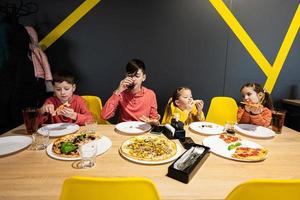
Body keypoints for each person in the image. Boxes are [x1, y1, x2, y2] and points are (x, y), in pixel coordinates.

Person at [101, 59, 159, 124]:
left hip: (142, 130)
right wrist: (118, 91)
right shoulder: (120, 94)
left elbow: (155, 120)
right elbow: (104, 116)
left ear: (143, 77)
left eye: (137, 76)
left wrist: (153, 121)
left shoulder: (150, 94)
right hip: (124, 130)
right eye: (130, 75)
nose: (133, 79)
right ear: (126, 76)